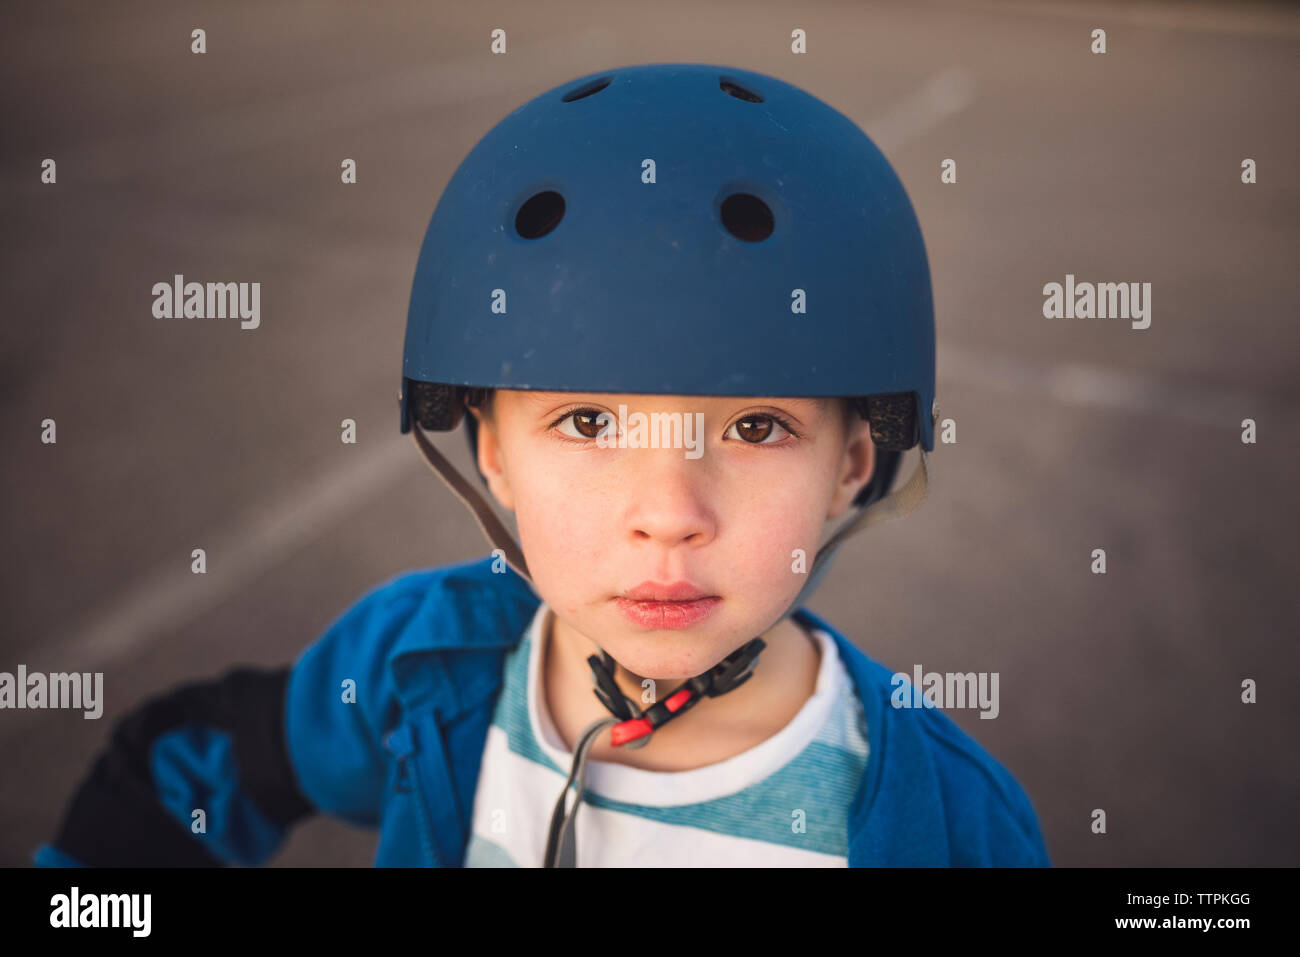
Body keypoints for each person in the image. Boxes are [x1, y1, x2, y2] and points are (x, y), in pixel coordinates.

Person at [33, 63, 1049, 868]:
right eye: (588, 421)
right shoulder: (415, 663)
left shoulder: (954, 824)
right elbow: (189, 774)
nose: (667, 514)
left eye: (752, 429)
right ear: (489, 456)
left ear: (853, 469)